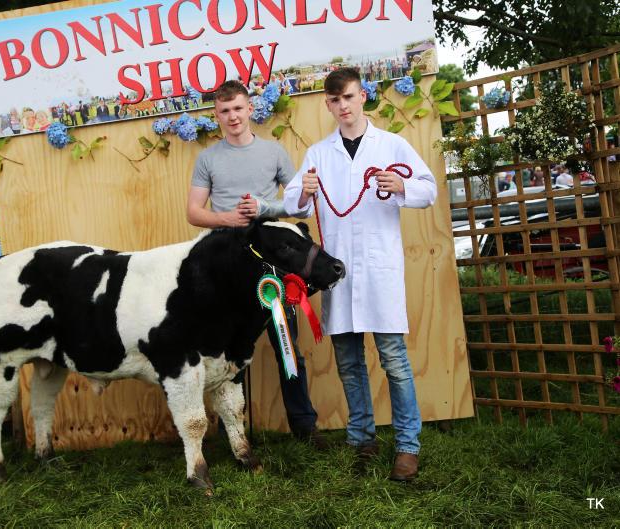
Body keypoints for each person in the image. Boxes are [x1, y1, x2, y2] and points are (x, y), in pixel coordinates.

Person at [283, 67, 437, 481]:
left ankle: (407, 445)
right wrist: (305, 191)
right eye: (334, 101)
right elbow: (294, 202)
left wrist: (402, 188)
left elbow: (429, 188)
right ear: (328, 104)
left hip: (379, 272)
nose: (343, 107)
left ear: (362, 96)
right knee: (349, 364)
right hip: (340, 275)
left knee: (395, 362)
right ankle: (361, 438)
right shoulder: (318, 153)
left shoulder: (392, 144)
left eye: (348, 97)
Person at [187, 80, 329, 449]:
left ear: (250, 109)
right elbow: (194, 213)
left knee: (287, 345)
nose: (232, 116)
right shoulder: (208, 159)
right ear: (216, 115)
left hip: (271, 269)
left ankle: (304, 425)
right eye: (224, 111)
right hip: (226, 270)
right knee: (225, 353)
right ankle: (231, 430)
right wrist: (230, 219)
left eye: (237, 108)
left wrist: (266, 210)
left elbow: (300, 205)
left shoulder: (274, 152)